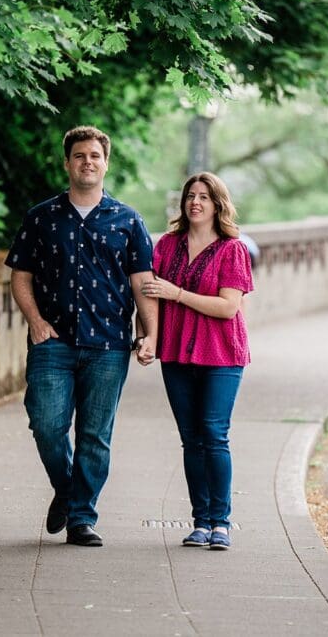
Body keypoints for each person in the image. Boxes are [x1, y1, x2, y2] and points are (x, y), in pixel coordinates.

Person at [6, 125, 157, 547]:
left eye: (94, 155)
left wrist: (152, 335)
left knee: (95, 436)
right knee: (46, 424)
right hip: (51, 342)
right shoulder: (41, 217)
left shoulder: (128, 220)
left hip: (108, 345)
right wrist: (35, 320)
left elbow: (142, 281)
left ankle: (81, 518)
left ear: (105, 163)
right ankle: (68, 492)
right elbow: (21, 275)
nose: (87, 161)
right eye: (79, 155)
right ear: (67, 162)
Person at [140, 171, 253, 551]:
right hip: (175, 352)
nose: (196, 202)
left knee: (214, 434)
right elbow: (149, 294)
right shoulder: (167, 246)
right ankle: (200, 521)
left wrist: (178, 293)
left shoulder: (231, 249)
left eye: (204, 196)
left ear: (217, 204)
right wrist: (149, 337)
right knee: (191, 439)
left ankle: (221, 522)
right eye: (191, 195)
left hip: (221, 354)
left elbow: (227, 306)